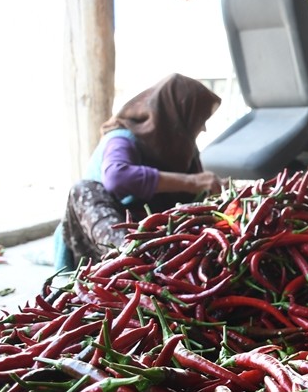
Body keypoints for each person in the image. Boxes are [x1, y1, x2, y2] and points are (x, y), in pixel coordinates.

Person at [54, 73, 225, 271]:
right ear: (176, 115)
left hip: (153, 247)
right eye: (199, 119)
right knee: (83, 189)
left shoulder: (182, 152)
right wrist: (192, 182)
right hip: (103, 247)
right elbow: (117, 177)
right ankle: (132, 257)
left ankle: (149, 261)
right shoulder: (122, 137)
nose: (203, 128)